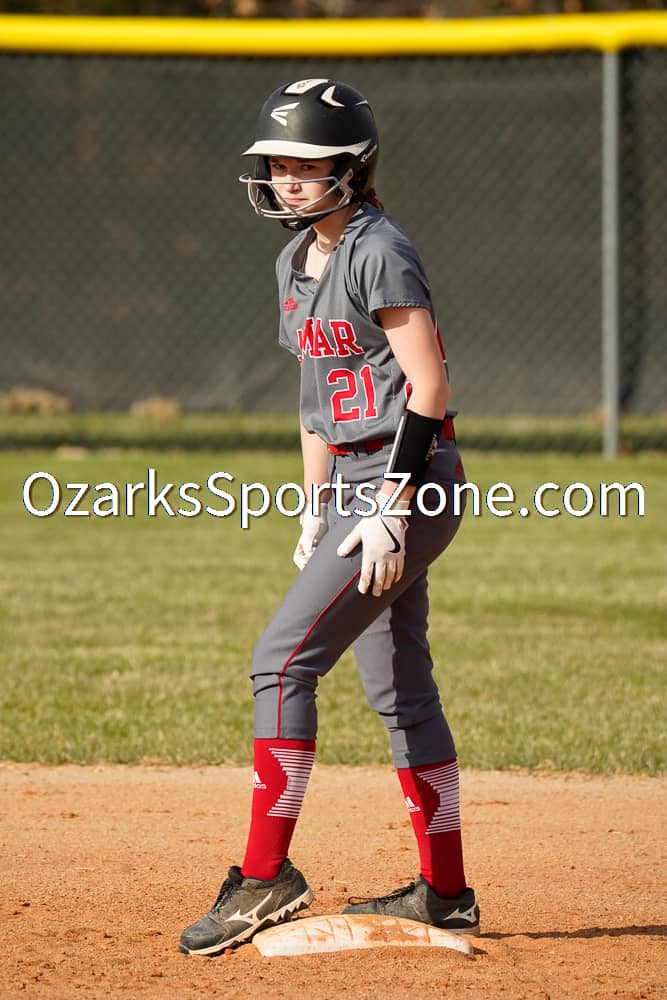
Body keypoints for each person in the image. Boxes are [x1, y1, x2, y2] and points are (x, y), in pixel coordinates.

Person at [179, 78, 479, 957]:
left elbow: (429, 387)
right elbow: (317, 401)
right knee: (401, 692)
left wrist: (390, 504)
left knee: (280, 662)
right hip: (350, 483)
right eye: (277, 163)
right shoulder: (293, 263)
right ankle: (445, 893)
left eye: (305, 164)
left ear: (351, 167)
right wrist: (314, 507)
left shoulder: (378, 250)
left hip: (405, 480)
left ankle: (265, 877)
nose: (285, 177)